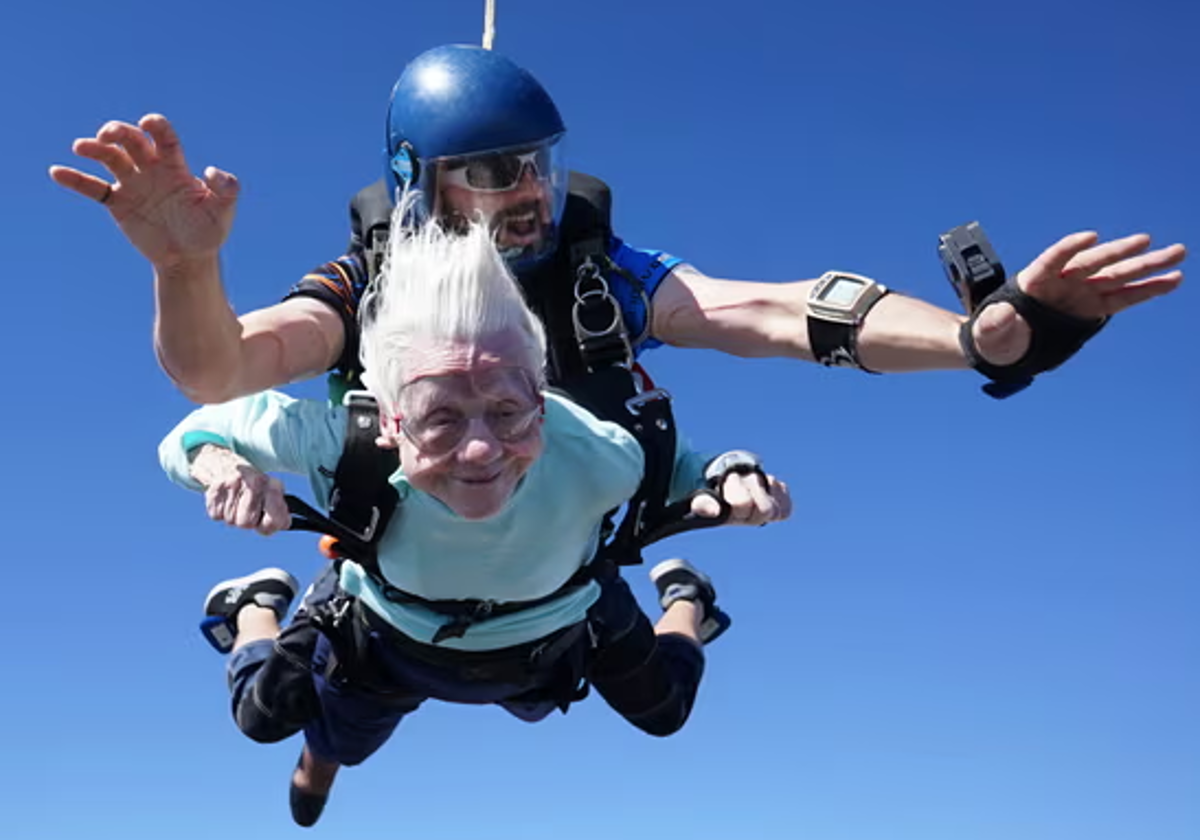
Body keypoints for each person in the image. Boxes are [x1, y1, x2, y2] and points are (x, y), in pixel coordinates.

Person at [48, 44, 1188, 409]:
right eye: (487, 173)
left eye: (535, 165)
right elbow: (221, 371)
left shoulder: (604, 273)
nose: (527, 193)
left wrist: (980, 339)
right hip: (403, 568)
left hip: (557, 571)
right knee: (345, 701)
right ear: (417, 187)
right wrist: (188, 272)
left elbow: (778, 313)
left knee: (643, 699)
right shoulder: (370, 277)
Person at [159, 209, 793, 827]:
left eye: (509, 410)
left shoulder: (599, 449)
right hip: (387, 633)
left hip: (555, 629)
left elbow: (679, 461)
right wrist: (223, 467)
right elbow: (193, 432)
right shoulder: (342, 440)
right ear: (388, 421)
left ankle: (688, 602)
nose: (483, 450)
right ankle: (256, 608)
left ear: (541, 403)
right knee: (268, 722)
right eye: (441, 419)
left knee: (665, 710)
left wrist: (733, 473)